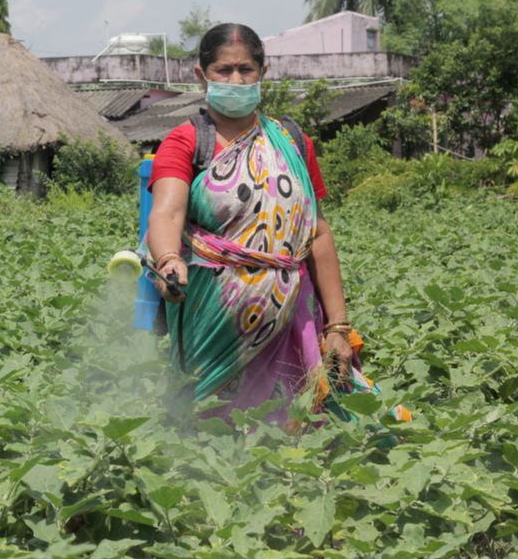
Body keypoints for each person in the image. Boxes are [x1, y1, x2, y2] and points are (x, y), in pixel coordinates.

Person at [143, 23, 369, 430]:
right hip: (213, 325)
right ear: (201, 76)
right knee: (211, 434)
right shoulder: (188, 142)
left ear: (263, 72)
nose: (235, 80)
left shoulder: (292, 142)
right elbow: (167, 212)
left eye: (246, 70)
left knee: (297, 431)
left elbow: (315, 233)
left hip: (292, 321)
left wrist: (338, 326)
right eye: (223, 70)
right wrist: (169, 258)